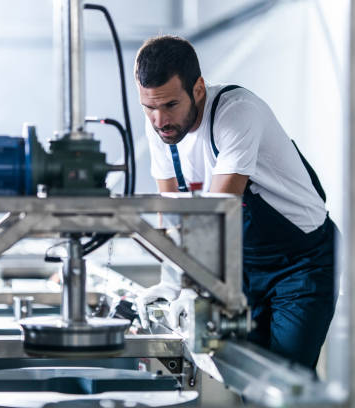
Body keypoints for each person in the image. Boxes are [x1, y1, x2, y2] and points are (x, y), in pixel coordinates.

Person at [134, 35, 337, 369]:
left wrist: (194, 290)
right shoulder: (162, 129)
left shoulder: (236, 113)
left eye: (170, 105)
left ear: (198, 88)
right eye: (149, 107)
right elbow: (172, 212)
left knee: (286, 382)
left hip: (301, 263)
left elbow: (219, 214)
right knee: (248, 374)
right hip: (243, 264)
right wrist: (171, 282)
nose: (159, 121)